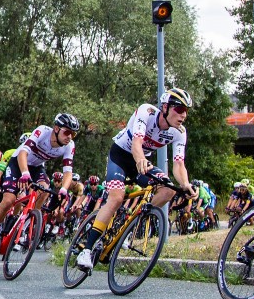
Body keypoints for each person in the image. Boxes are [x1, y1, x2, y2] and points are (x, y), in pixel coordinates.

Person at [67, 89, 192, 272]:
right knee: (117, 198)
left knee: (168, 190)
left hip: (141, 162)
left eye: (186, 111)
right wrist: (141, 159)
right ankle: (86, 250)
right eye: (179, 108)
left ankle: (130, 225)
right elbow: (136, 144)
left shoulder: (180, 132)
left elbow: (179, 165)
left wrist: (186, 184)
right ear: (165, 107)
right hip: (121, 156)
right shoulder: (147, 112)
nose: (183, 115)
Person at [0, 113, 78, 264]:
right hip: (18, 163)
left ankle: (29, 219)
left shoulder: (69, 145)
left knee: (45, 188)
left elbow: (68, 172)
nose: (70, 137)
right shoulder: (42, 131)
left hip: (37, 167)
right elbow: (23, 152)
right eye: (67, 132)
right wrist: (25, 173)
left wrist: (64, 189)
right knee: (9, 200)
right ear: (56, 128)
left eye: (73, 133)